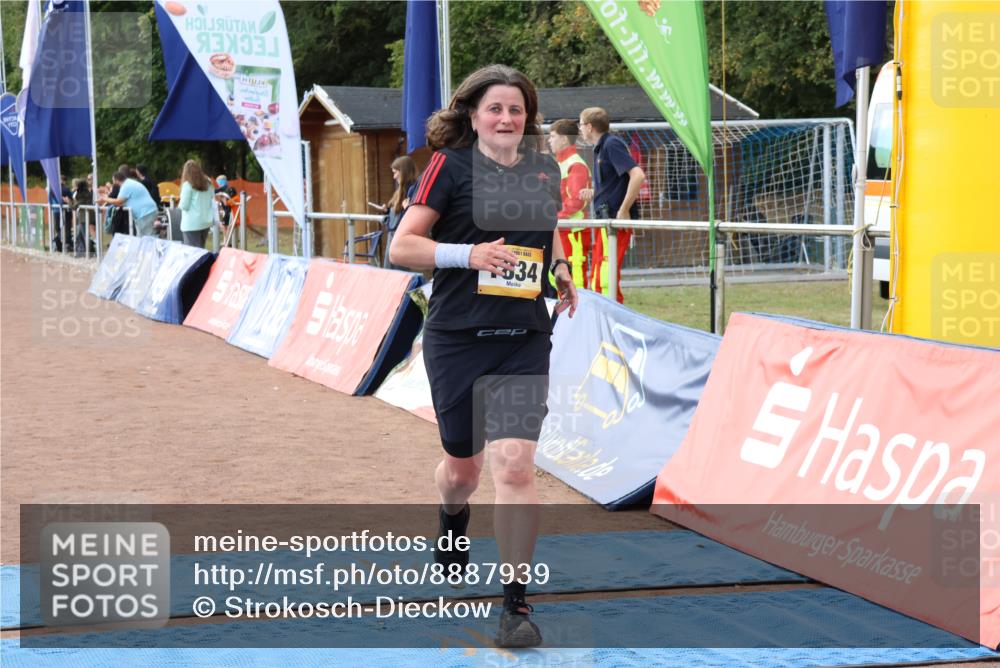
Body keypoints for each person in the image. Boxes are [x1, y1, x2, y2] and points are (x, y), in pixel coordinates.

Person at [390, 64, 578, 649]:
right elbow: (402, 247)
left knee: (516, 467)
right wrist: (465, 255)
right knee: (463, 472)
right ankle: (451, 518)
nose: (506, 119)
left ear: (528, 118)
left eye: (516, 110)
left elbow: (544, 239)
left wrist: (559, 269)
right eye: (495, 109)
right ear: (473, 115)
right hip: (457, 338)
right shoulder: (449, 166)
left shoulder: (543, 168)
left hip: (522, 336)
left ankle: (515, 605)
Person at [578, 107, 646, 303]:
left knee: (605, 277)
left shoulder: (611, 144)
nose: (580, 129)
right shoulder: (601, 147)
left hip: (615, 222)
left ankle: (611, 319)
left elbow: (637, 175)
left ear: (589, 127)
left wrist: (623, 210)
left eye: (581, 124)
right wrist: (596, 193)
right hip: (605, 221)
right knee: (600, 275)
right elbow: (617, 182)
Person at [547, 119, 593, 288]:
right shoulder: (560, 163)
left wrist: (551, 217)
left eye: (552, 136)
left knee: (574, 279)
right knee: (557, 278)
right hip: (562, 228)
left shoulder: (575, 164)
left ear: (564, 139)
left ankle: (578, 314)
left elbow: (576, 201)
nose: (549, 140)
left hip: (573, 230)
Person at [373, 156, 417, 267]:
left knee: (399, 271)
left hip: (401, 239)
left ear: (403, 172)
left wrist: (408, 208)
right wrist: (386, 210)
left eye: (395, 172)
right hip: (393, 237)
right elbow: (396, 213)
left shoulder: (414, 189)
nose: (394, 176)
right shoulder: (400, 190)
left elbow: (414, 217)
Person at [98, 170, 159, 237]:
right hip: (147, 212)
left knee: (148, 237)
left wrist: (104, 199)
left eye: (113, 179)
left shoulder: (126, 186)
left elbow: (118, 202)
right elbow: (120, 203)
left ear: (116, 179)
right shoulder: (129, 183)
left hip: (145, 213)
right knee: (143, 237)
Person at [178, 160, 215, 247]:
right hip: (205, 222)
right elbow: (212, 198)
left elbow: (184, 206)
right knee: (201, 250)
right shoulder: (208, 184)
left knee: (193, 254)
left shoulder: (187, 185)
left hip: (191, 224)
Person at [49, 175, 74, 253]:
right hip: (63, 211)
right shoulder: (65, 189)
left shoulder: (53, 189)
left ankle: (61, 244)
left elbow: (50, 199)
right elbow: (71, 198)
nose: (62, 181)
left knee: (61, 229)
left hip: (58, 211)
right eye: (62, 180)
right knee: (64, 229)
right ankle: (61, 244)